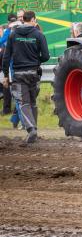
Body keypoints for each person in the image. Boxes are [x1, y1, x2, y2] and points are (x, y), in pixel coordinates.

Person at [2, 11, 50, 143]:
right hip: (34, 73)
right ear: (33, 19)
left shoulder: (13, 34)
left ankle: (31, 129)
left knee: (23, 103)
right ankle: (33, 130)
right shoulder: (39, 34)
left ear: (23, 19)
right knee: (33, 103)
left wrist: (6, 75)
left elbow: (6, 57)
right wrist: (36, 61)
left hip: (18, 74)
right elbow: (46, 56)